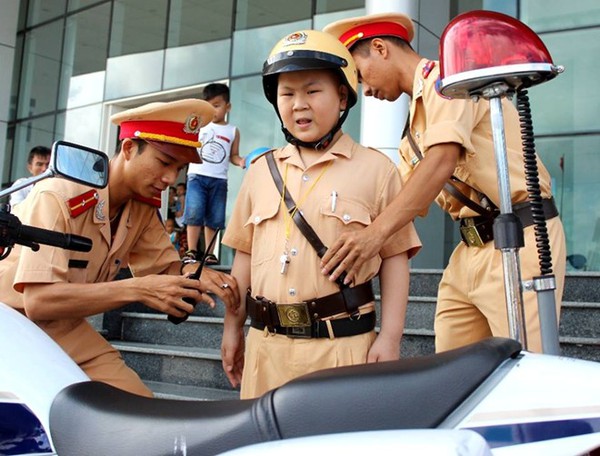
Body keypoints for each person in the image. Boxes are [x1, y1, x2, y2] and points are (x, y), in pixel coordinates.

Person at [322, 13, 567, 353]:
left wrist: (372, 236)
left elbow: (440, 161)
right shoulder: (411, 130)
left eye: (360, 76)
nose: (365, 90)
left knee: (529, 372)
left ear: (379, 48)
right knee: (455, 371)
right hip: (470, 248)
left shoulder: (451, 80)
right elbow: (404, 197)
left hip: (520, 237)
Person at [220, 30, 421, 399]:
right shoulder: (260, 171)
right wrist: (232, 330)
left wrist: (390, 338)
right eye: (287, 94)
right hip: (266, 348)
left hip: (343, 349)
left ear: (342, 95)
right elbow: (242, 260)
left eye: (313, 91)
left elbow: (395, 260)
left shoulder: (377, 170)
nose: (299, 105)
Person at [0, 99, 240, 397]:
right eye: (164, 163)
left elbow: (164, 267)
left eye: (179, 169)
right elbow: (39, 301)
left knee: (137, 406)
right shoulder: (59, 195)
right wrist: (137, 290)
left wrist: (194, 272)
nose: (170, 179)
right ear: (128, 149)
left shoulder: (140, 206)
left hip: (65, 327)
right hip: (10, 323)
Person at [183, 83, 245, 265]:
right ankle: (192, 250)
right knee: (194, 213)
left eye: (216, 106)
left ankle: (209, 253)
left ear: (228, 107)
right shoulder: (199, 126)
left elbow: (233, 155)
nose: (213, 111)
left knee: (214, 218)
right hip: (196, 176)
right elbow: (187, 146)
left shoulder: (233, 131)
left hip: (219, 180)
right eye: (209, 106)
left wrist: (240, 161)